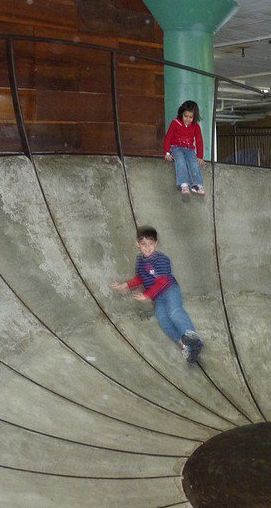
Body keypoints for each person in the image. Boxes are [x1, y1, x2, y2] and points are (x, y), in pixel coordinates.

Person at [110, 226, 203, 363]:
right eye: (143, 244)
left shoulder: (161, 259)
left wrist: (146, 295)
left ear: (156, 243)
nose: (147, 248)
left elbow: (162, 281)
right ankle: (187, 346)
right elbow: (140, 278)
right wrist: (125, 285)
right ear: (138, 244)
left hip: (169, 289)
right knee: (163, 321)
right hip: (157, 297)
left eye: (151, 244)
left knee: (174, 311)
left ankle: (192, 337)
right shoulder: (140, 261)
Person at [164, 100, 205, 196]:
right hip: (176, 148)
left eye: (190, 117)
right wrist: (167, 153)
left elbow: (199, 141)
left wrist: (200, 156)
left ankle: (197, 185)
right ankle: (184, 184)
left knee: (194, 163)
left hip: (189, 149)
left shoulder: (196, 126)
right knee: (181, 162)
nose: (187, 119)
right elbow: (168, 138)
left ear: (194, 117)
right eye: (185, 116)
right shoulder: (175, 123)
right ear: (181, 114)